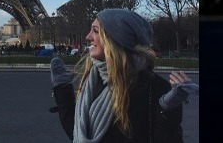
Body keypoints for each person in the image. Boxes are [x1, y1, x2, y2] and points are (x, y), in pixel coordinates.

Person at [50, 9, 183, 142]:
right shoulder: (93, 79)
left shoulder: (152, 87)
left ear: (114, 40)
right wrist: (63, 92)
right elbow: (79, 134)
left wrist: (167, 111)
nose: (88, 36)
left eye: (95, 31)